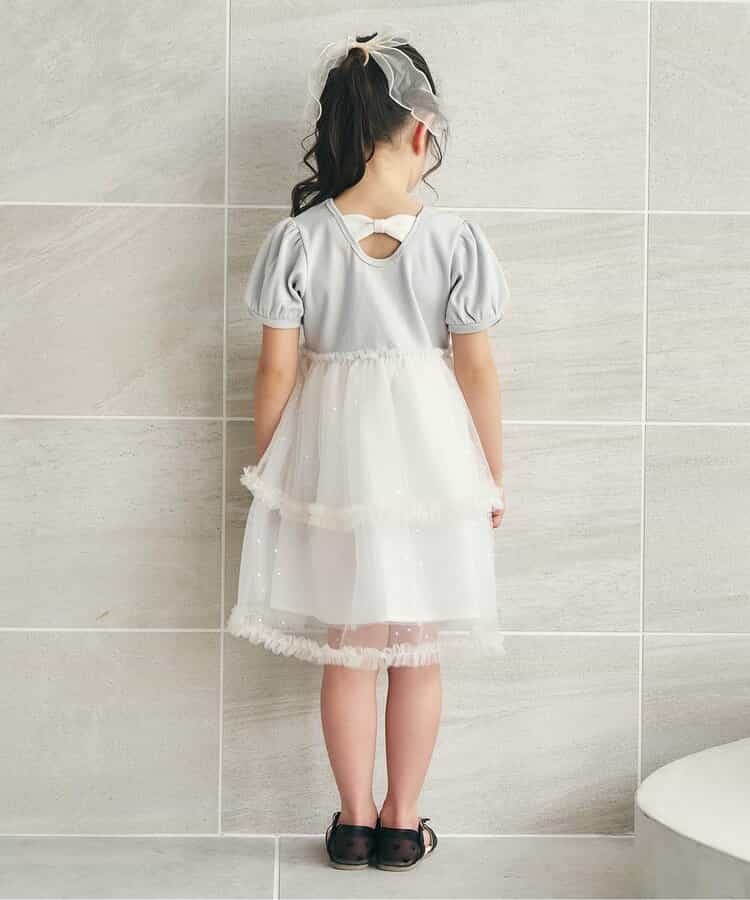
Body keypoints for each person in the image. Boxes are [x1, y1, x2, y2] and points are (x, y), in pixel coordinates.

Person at [226, 27, 510, 871]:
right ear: (421, 129)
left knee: (352, 643)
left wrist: (276, 476)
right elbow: (477, 371)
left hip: (337, 464)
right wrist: (490, 478)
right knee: (416, 644)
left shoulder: (299, 239)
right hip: (431, 462)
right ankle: (402, 821)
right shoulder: (455, 239)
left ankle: (352, 822)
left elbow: (276, 372)